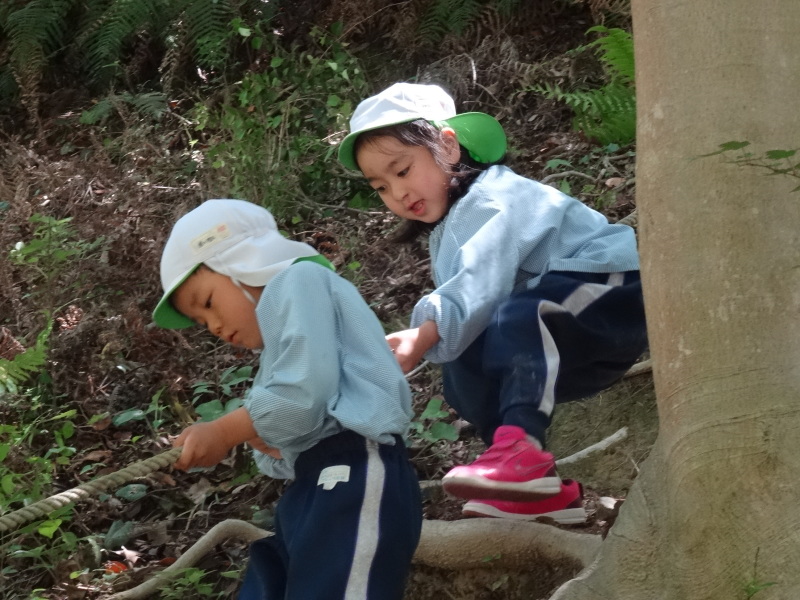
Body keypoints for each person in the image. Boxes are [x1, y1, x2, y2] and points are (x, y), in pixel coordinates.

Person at [337, 82, 648, 524]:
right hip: (563, 329)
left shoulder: (491, 197)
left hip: (612, 289)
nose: (397, 193)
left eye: (402, 170)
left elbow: (478, 284)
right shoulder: (450, 226)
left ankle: (520, 450)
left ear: (447, 146)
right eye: (381, 187)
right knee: (464, 367)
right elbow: (475, 308)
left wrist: (423, 333)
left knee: (521, 314)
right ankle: (532, 483)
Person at [152, 199, 422, 600]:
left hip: (360, 466)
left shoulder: (298, 282)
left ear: (240, 261)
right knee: (273, 578)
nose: (214, 326)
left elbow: (305, 394)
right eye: (201, 322)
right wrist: (267, 438)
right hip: (316, 483)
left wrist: (229, 429)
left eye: (208, 303)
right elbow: (300, 409)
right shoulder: (277, 349)